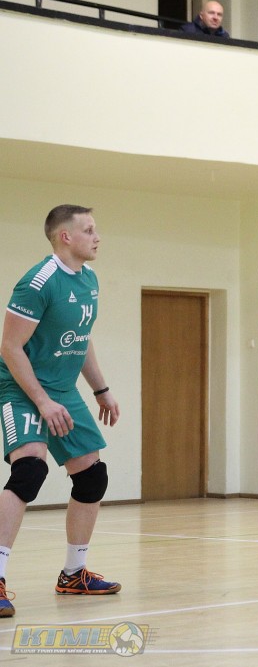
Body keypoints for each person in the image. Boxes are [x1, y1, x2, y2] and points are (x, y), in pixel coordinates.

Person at [0, 205, 122, 617]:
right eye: (89, 230)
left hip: (63, 390)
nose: (97, 236)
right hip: (22, 387)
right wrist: (41, 401)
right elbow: (10, 347)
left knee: (92, 475)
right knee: (29, 471)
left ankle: (74, 574)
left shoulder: (89, 280)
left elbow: (81, 338)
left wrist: (101, 389)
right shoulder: (38, 282)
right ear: (65, 237)